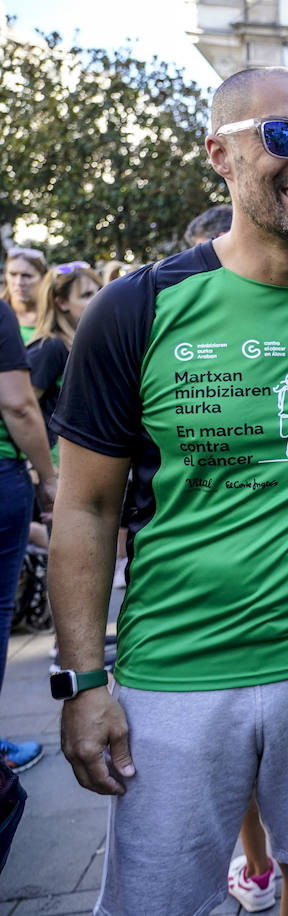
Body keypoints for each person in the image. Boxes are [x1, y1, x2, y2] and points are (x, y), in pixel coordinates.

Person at [47, 67, 288, 915]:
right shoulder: (137, 308)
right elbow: (85, 506)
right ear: (220, 154)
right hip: (176, 679)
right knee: (158, 904)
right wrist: (81, 682)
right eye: (285, 137)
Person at [0, 249, 59, 774]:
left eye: (26, 276)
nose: (17, 284)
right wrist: (47, 477)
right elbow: (19, 405)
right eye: (10, 274)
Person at [27, 264, 102, 458]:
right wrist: (37, 467)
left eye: (100, 291)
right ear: (61, 303)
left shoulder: (81, 344)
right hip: (53, 470)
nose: (99, 299)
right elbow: (22, 411)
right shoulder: (51, 347)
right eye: (86, 295)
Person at [4, 248, 47, 342]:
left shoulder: (55, 317)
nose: (19, 282)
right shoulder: (2, 315)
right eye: (13, 274)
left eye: (27, 276)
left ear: (43, 278)